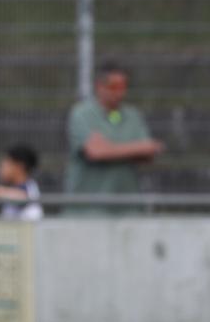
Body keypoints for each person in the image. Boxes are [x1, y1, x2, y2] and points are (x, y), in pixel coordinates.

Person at [64, 60, 164, 214]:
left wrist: (110, 149)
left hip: (128, 210)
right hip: (88, 212)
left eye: (123, 87)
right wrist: (138, 148)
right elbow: (96, 152)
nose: (119, 93)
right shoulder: (82, 114)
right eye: (113, 87)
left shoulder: (133, 116)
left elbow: (149, 154)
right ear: (99, 86)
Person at [0, 144, 43, 221]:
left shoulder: (29, 187)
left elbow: (23, 197)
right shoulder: (11, 191)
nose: (1, 169)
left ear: (19, 166)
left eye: (5, 165)